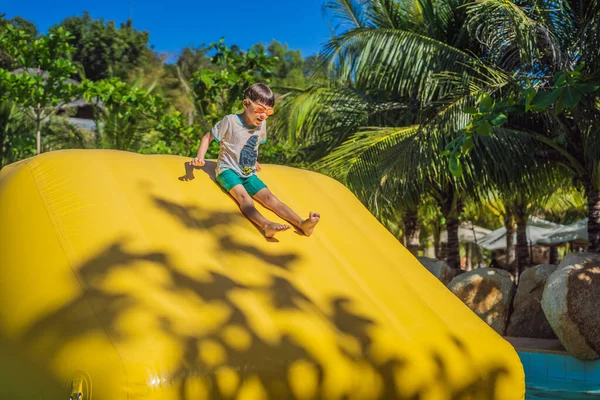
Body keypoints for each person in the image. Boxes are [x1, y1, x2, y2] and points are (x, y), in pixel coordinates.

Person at [191, 83, 320, 238]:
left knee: (271, 199)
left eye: (268, 112)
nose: (263, 116)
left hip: (248, 172)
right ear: (246, 104)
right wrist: (200, 157)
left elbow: (252, 144)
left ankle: (302, 224)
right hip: (228, 170)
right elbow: (207, 137)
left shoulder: (261, 124)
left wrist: (253, 160)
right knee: (244, 198)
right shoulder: (230, 121)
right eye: (260, 109)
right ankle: (266, 224)